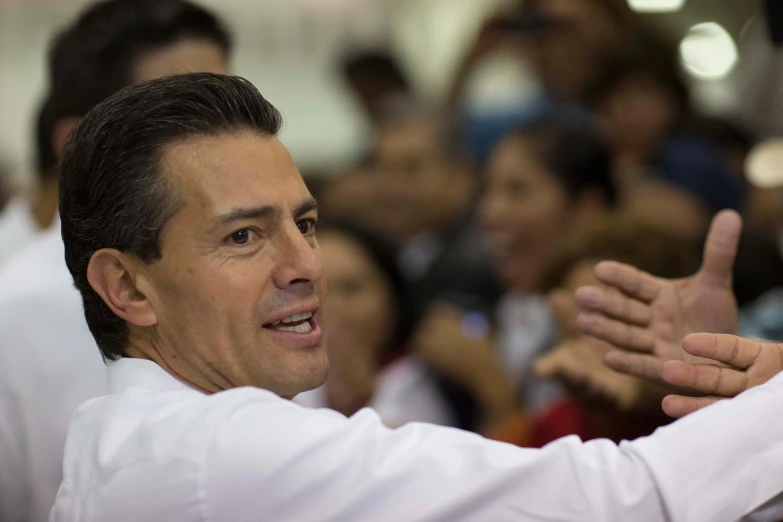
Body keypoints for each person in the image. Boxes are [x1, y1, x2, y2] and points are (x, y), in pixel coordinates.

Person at [51, 72, 783, 522]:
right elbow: (624, 501)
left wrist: (717, 398)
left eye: (305, 224)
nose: (304, 264)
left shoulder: (119, 437)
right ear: (126, 286)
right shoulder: (218, 449)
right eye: (244, 237)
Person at [0, 2, 231, 521]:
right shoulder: (14, 310)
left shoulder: (262, 264)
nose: (226, 141)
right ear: (80, 143)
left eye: (226, 106)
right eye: (181, 119)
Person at [294, 222, 453, 427]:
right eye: (311, 289)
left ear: (394, 297)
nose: (329, 307)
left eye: (351, 288)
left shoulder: (431, 381)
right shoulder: (276, 387)